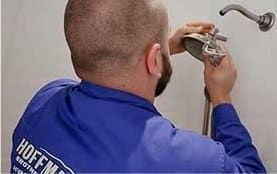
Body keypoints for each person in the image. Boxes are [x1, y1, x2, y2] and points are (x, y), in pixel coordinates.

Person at [10, 0, 266, 173]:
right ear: (154, 59)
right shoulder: (179, 157)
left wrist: (157, 47)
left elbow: (103, 57)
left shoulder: (45, 99)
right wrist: (221, 97)